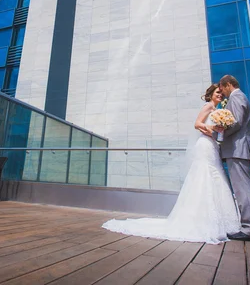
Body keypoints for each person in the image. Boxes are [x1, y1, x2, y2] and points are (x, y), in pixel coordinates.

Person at [102, 84, 241, 244]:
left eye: (222, 94)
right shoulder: (208, 106)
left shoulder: (217, 110)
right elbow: (197, 124)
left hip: (213, 146)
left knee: (215, 175)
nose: (220, 96)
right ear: (210, 94)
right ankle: (202, 221)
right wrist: (212, 128)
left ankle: (222, 222)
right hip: (204, 145)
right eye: (218, 93)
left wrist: (219, 130)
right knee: (204, 175)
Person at [215, 75, 250, 242]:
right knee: (243, 188)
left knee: (244, 190)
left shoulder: (237, 96)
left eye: (222, 89)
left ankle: (249, 229)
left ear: (228, 85)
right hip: (239, 150)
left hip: (237, 149)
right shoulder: (240, 97)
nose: (223, 93)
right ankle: (249, 228)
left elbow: (236, 122)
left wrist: (219, 133)